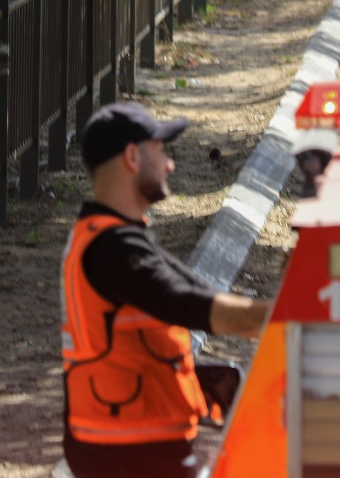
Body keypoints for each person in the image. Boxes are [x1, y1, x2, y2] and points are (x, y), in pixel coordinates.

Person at [61, 103, 272, 477]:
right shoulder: (113, 250)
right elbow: (185, 303)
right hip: (126, 456)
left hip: (132, 447)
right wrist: (290, 320)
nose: (169, 164)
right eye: (160, 151)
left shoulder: (118, 236)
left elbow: (196, 290)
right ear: (131, 156)